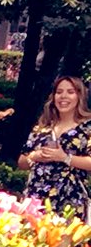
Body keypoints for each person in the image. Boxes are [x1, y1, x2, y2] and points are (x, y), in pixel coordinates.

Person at [18, 73, 91, 219]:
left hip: (69, 201)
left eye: (70, 92)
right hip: (36, 199)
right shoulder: (42, 127)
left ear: (79, 96)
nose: (63, 96)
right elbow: (21, 162)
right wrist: (35, 157)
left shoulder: (87, 128)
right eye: (59, 92)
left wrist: (65, 158)